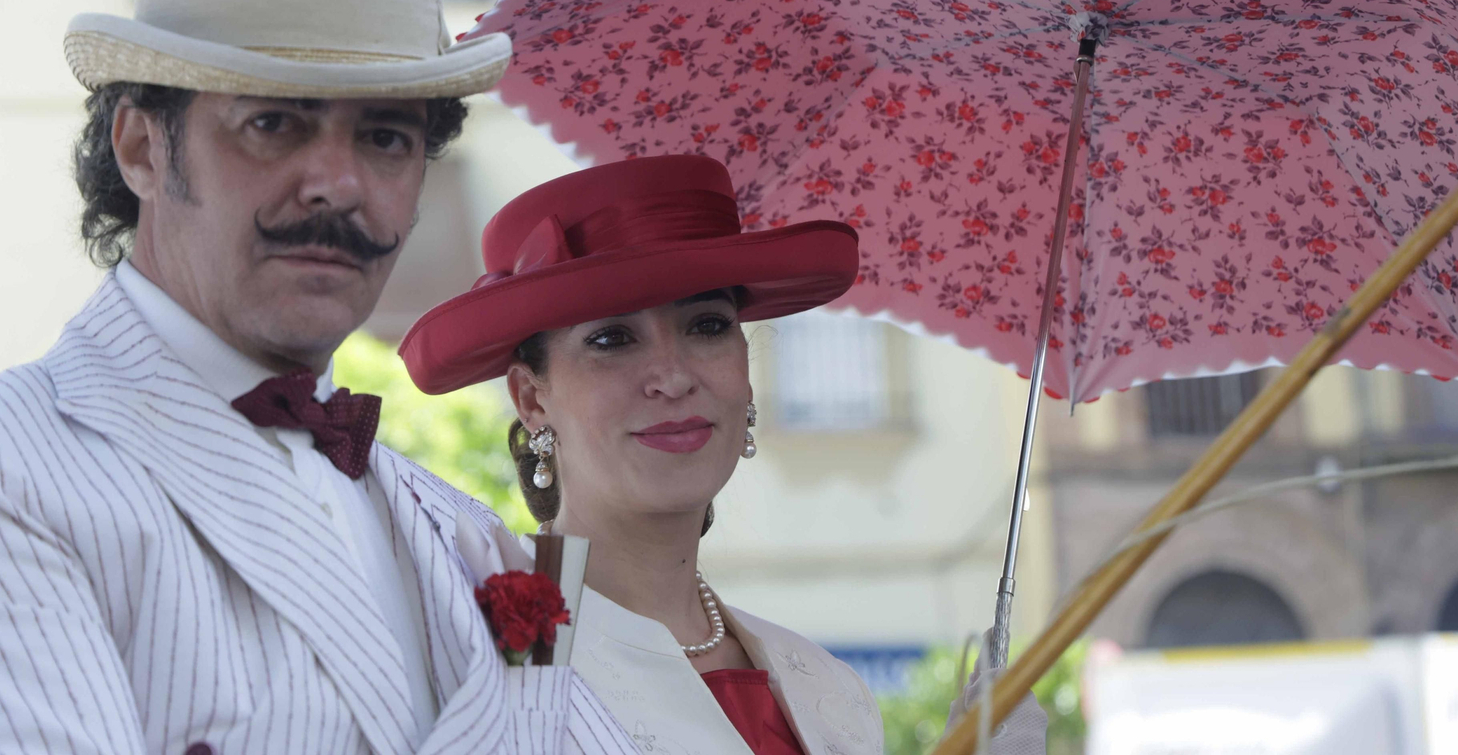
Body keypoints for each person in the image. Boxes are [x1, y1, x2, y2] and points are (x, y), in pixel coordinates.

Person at [0, 0, 635, 755]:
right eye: (273, 122)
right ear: (141, 148)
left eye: (387, 137)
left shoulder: (459, 532)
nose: (338, 184)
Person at [402, 154, 1050, 755]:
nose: (672, 376)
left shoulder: (830, 690)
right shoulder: (474, 647)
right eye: (612, 339)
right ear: (531, 398)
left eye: (707, 326)